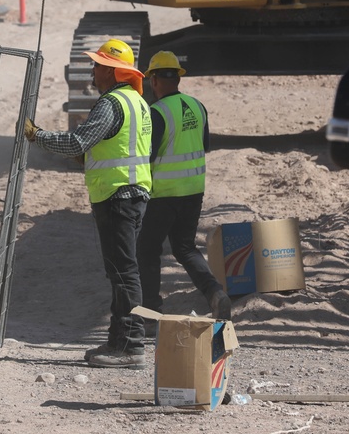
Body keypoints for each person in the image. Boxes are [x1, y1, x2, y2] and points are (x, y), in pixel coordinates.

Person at [23, 38, 152, 369]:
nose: (93, 71)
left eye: (97, 65)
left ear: (111, 71)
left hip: (116, 196)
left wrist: (38, 136)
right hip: (133, 194)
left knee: (123, 273)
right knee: (123, 271)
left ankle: (130, 346)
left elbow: (78, 142)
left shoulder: (111, 104)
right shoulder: (137, 102)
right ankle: (119, 341)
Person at [137, 51, 230, 331]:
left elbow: (147, 156)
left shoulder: (157, 113)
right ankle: (215, 293)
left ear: (153, 80)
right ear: (178, 77)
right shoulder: (198, 106)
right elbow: (203, 146)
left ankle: (151, 313)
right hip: (193, 191)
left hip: (164, 193)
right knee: (185, 247)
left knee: (148, 250)